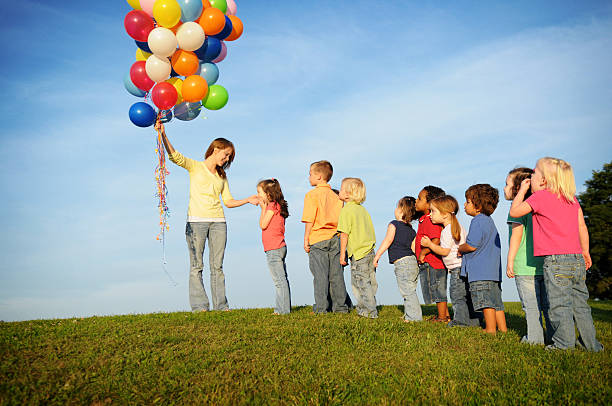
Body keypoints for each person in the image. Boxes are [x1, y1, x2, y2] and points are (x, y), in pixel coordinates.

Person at [156, 121, 258, 312]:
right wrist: (163, 134)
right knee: (197, 266)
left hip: (219, 223)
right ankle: (200, 306)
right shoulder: (195, 167)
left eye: (229, 157)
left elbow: (228, 201)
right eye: (226, 154)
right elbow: (174, 156)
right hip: (196, 222)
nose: (227, 159)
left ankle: (221, 306)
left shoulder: (222, 176)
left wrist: (247, 200)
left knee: (217, 267)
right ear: (215, 148)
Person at [510, 157, 603, 351]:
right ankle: (591, 345)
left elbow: (516, 211)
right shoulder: (571, 198)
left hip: (556, 262)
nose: (531, 176)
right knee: (580, 305)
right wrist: (585, 251)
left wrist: (521, 191)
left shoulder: (541, 196)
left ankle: (563, 345)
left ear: (543, 180)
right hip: (577, 258)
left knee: (559, 306)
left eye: (534, 173)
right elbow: (581, 226)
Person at [504, 167, 551, 345]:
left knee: (531, 306)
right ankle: (554, 337)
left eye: (507, 184)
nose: (504, 188)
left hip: (524, 264)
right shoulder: (538, 205)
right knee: (547, 306)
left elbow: (516, 236)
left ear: (518, 188)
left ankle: (535, 339)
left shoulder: (517, 208)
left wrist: (510, 261)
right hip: (543, 262)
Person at [421, 195, 481, 327]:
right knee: (466, 296)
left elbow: (445, 251)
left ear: (445, 214)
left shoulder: (447, 231)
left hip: (457, 269)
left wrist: (429, 244)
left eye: (433, 211)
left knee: (457, 296)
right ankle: (473, 320)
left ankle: (461, 322)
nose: (430, 214)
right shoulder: (458, 227)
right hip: (464, 267)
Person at [302, 160, 350, 314]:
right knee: (336, 276)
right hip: (336, 239)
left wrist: (306, 239)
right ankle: (341, 308)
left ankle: (322, 308)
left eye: (310, 174)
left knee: (320, 276)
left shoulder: (311, 195)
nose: (308, 177)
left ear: (319, 176)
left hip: (317, 239)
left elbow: (310, 219)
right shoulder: (336, 196)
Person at [459, 184, 507, 334]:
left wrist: (461, 248)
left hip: (480, 273)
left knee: (486, 303)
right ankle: (503, 329)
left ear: (478, 206)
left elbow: (472, 245)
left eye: (467, 202)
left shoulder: (477, 221)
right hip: (493, 273)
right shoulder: (489, 221)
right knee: (496, 303)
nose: (465, 205)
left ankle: (490, 329)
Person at [373, 196, 422, 322]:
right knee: (409, 289)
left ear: (401, 210)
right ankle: (409, 314)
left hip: (402, 262)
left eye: (397, 206)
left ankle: (414, 318)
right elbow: (414, 247)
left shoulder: (393, 224)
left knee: (407, 291)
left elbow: (388, 241)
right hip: (412, 261)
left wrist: (377, 256)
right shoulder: (411, 230)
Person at [338, 178, 377, 318]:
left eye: (341, 189)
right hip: (370, 251)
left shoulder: (346, 210)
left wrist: (342, 254)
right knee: (369, 283)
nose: (339, 191)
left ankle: (368, 312)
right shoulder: (363, 210)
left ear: (348, 194)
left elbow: (344, 234)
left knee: (360, 284)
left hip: (358, 254)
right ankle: (369, 308)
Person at [414, 186, 449, 322]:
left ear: (430, 204)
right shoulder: (424, 219)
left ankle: (442, 317)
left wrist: (423, 252)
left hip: (434, 262)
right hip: (429, 262)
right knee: (435, 289)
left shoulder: (431, 219)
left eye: (420, 198)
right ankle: (445, 315)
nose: (416, 201)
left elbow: (436, 238)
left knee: (438, 289)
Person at [257, 179, 291, 315]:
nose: (258, 195)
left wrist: (263, 209)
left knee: (279, 280)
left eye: (259, 192)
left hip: (273, 248)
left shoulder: (271, 207)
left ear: (268, 194)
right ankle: (281, 308)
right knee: (282, 279)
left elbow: (263, 225)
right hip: (280, 246)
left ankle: (283, 310)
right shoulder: (278, 206)